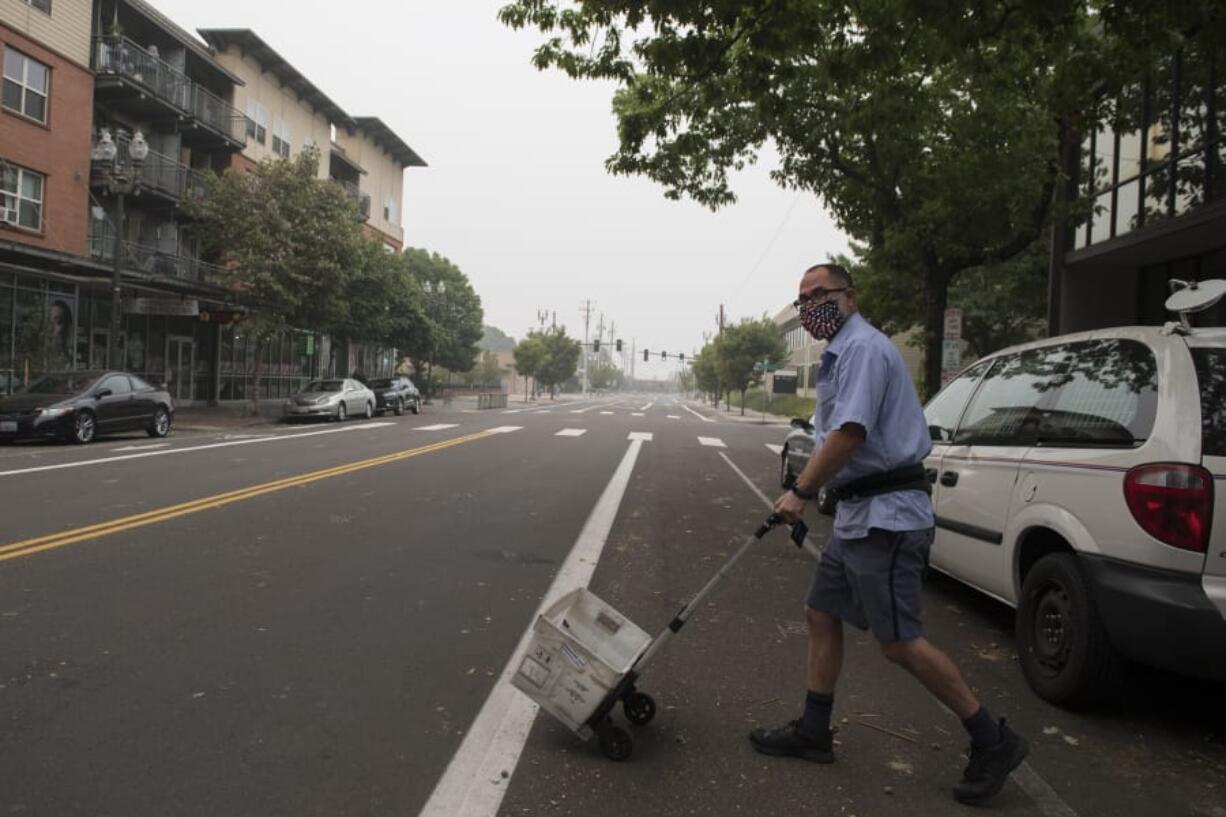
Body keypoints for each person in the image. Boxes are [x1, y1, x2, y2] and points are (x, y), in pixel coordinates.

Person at [752, 262, 1029, 806]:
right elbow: (833, 435)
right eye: (802, 299)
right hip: (859, 516)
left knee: (899, 642)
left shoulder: (863, 350)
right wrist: (814, 487)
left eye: (819, 295)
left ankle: (992, 739)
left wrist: (801, 492)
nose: (810, 307)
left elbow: (851, 434)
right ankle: (814, 729)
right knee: (821, 612)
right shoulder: (839, 356)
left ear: (849, 297)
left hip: (889, 519)